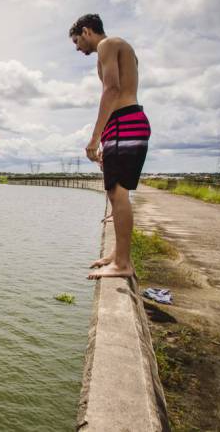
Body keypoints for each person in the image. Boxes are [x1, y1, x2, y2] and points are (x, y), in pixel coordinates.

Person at [69, 14, 151, 279]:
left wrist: (95, 138)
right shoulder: (121, 48)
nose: (77, 48)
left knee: (118, 193)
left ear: (86, 31)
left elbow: (112, 90)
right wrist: (106, 136)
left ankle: (123, 264)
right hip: (123, 125)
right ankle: (118, 255)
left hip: (125, 122)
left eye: (76, 41)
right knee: (116, 193)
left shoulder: (107, 45)